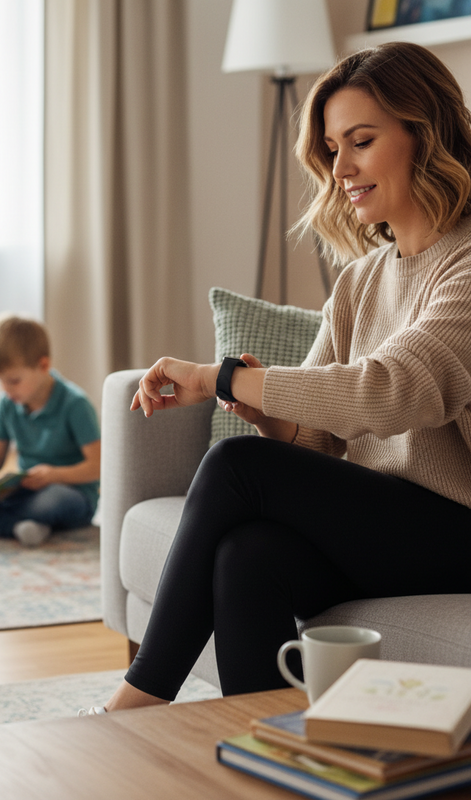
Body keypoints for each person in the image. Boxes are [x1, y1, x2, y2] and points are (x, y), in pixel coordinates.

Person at [80, 41, 471, 716]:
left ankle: (137, 701)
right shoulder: (360, 281)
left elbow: (392, 388)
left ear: (424, 133)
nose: (340, 168)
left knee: (237, 464)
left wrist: (221, 378)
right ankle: (270, 755)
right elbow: (316, 442)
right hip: (396, 526)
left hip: (460, 529)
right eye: (331, 148)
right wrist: (268, 412)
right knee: (248, 554)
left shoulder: (464, 265)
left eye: (361, 141)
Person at [0, 313, 100, 547]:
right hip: (25, 490)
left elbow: (98, 466)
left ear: (43, 366)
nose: (5, 389)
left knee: (50, 503)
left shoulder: (76, 404)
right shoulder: (7, 402)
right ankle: (19, 526)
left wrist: (55, 475)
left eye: (13, 380)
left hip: (70, 492)